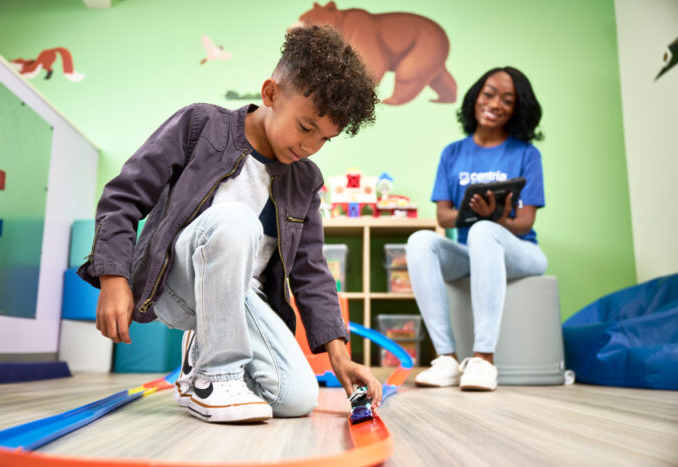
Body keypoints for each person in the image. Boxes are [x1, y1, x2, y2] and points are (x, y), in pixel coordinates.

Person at [78, 25, 382, 423]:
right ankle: (212, 377)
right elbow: (123, 196)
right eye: (306, 127)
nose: (310, 146)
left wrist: (341, 358)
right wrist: (113, 277)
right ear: (270, 93)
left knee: (297, 399)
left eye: (325, 139)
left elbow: (311, 270)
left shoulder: (305, 179)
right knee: (237, 220)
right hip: (178, 285)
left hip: (241, 302)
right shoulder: (200, 125)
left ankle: (202, 358)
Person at [406, 66, 547, 391]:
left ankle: (484, 359)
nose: (496, 104)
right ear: (475, 98)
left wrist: (493, 218)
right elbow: (443, 217)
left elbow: (526, 222)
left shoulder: (526, 153)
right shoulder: (453, 153)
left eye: (507, 100)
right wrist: (474, 212)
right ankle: (447, 360)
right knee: (419, 241)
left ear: (517, 109)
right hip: (472, 253)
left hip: (521, 251)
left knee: (484, 231)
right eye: (489, 94)